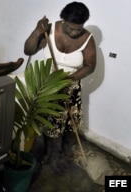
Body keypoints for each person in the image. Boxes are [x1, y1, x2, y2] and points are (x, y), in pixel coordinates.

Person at [24, 2, 96, 165]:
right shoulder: (47, 30)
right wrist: (36, 32)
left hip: (69, 84)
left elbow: (90, 66)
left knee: (61, 122)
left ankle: (56, 150)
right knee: (42, 119)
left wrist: (70, 79)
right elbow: (28, 51)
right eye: (71, 28)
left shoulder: (87, 38)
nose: (74, 32)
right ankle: (43, 147)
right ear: (63, 20)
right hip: (45, 83)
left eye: (79, 29)